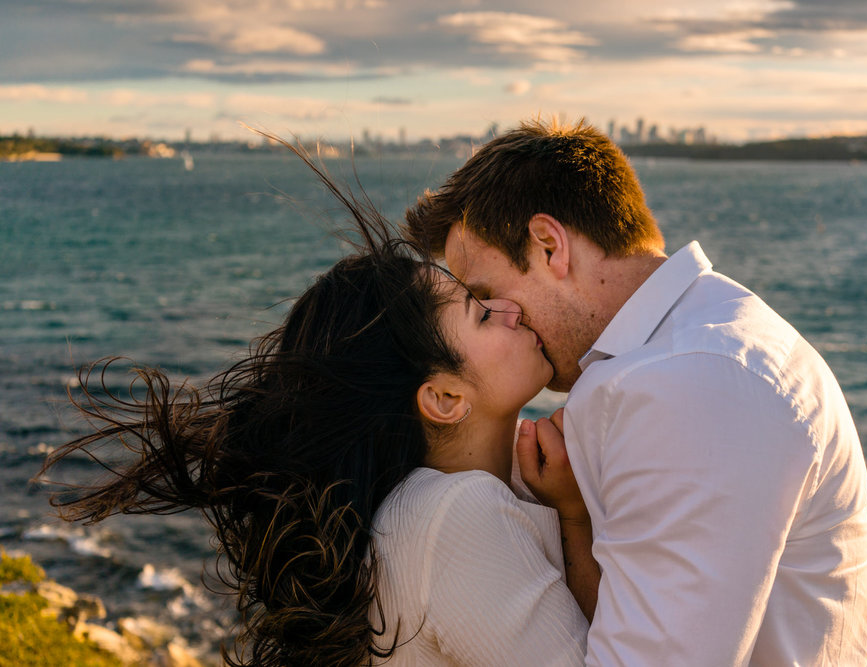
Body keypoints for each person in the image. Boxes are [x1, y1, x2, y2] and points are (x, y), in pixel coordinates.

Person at [40, 138, 594, 667]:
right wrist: (573, 516)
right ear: (444, 398)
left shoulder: (449, 498)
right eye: (479, 311)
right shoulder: (457, 516)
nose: (510, 309)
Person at [405, 118, 867, 666]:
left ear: (549, 244)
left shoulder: (692, 385)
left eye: (488, 293)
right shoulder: (698, 348)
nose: (502, 318)